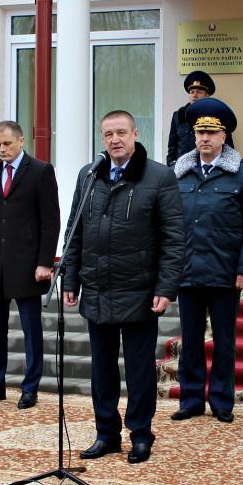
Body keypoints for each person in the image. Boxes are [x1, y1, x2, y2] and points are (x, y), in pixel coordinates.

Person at [64, 110, 185, 464]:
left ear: (135, 133)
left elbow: (174, 238)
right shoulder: (88, 175)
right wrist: (71, 278)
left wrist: (166, 287)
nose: (114, 140)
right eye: (107, 134)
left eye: (120, 132)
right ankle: (107, 434)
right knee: (101, 370)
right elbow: (75, 230)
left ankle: (141, 434)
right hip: (97, 290)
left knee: (139, 371)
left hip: (140, 291)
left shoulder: (159, 176)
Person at [171, 98, 243, 424]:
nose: (204, 138)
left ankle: (222, 401)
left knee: (225, 341)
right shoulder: (178, 173)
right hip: (188, 270)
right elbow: (169, 224)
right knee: (191, 340)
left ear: (224, 136)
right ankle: (191, 399)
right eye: (200, 132)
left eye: (211, 132)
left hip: (226, 272)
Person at [0, 121, 60, 409]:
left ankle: (30, 387)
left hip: (29, 264)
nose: (2, 149)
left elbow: (51, 220)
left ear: (21, 141)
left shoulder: (41, 171)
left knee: (30, 330)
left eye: (7, 143)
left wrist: (45, 262)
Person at [167, 70, 233, 165]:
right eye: (192, 92)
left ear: (207, 95)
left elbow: (228, 147)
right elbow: (172, 148)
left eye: (199, 92)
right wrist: (171, 168)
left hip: (211, 169)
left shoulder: (218, 116)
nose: (194, 95)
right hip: (183, 170)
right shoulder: (179, 116)